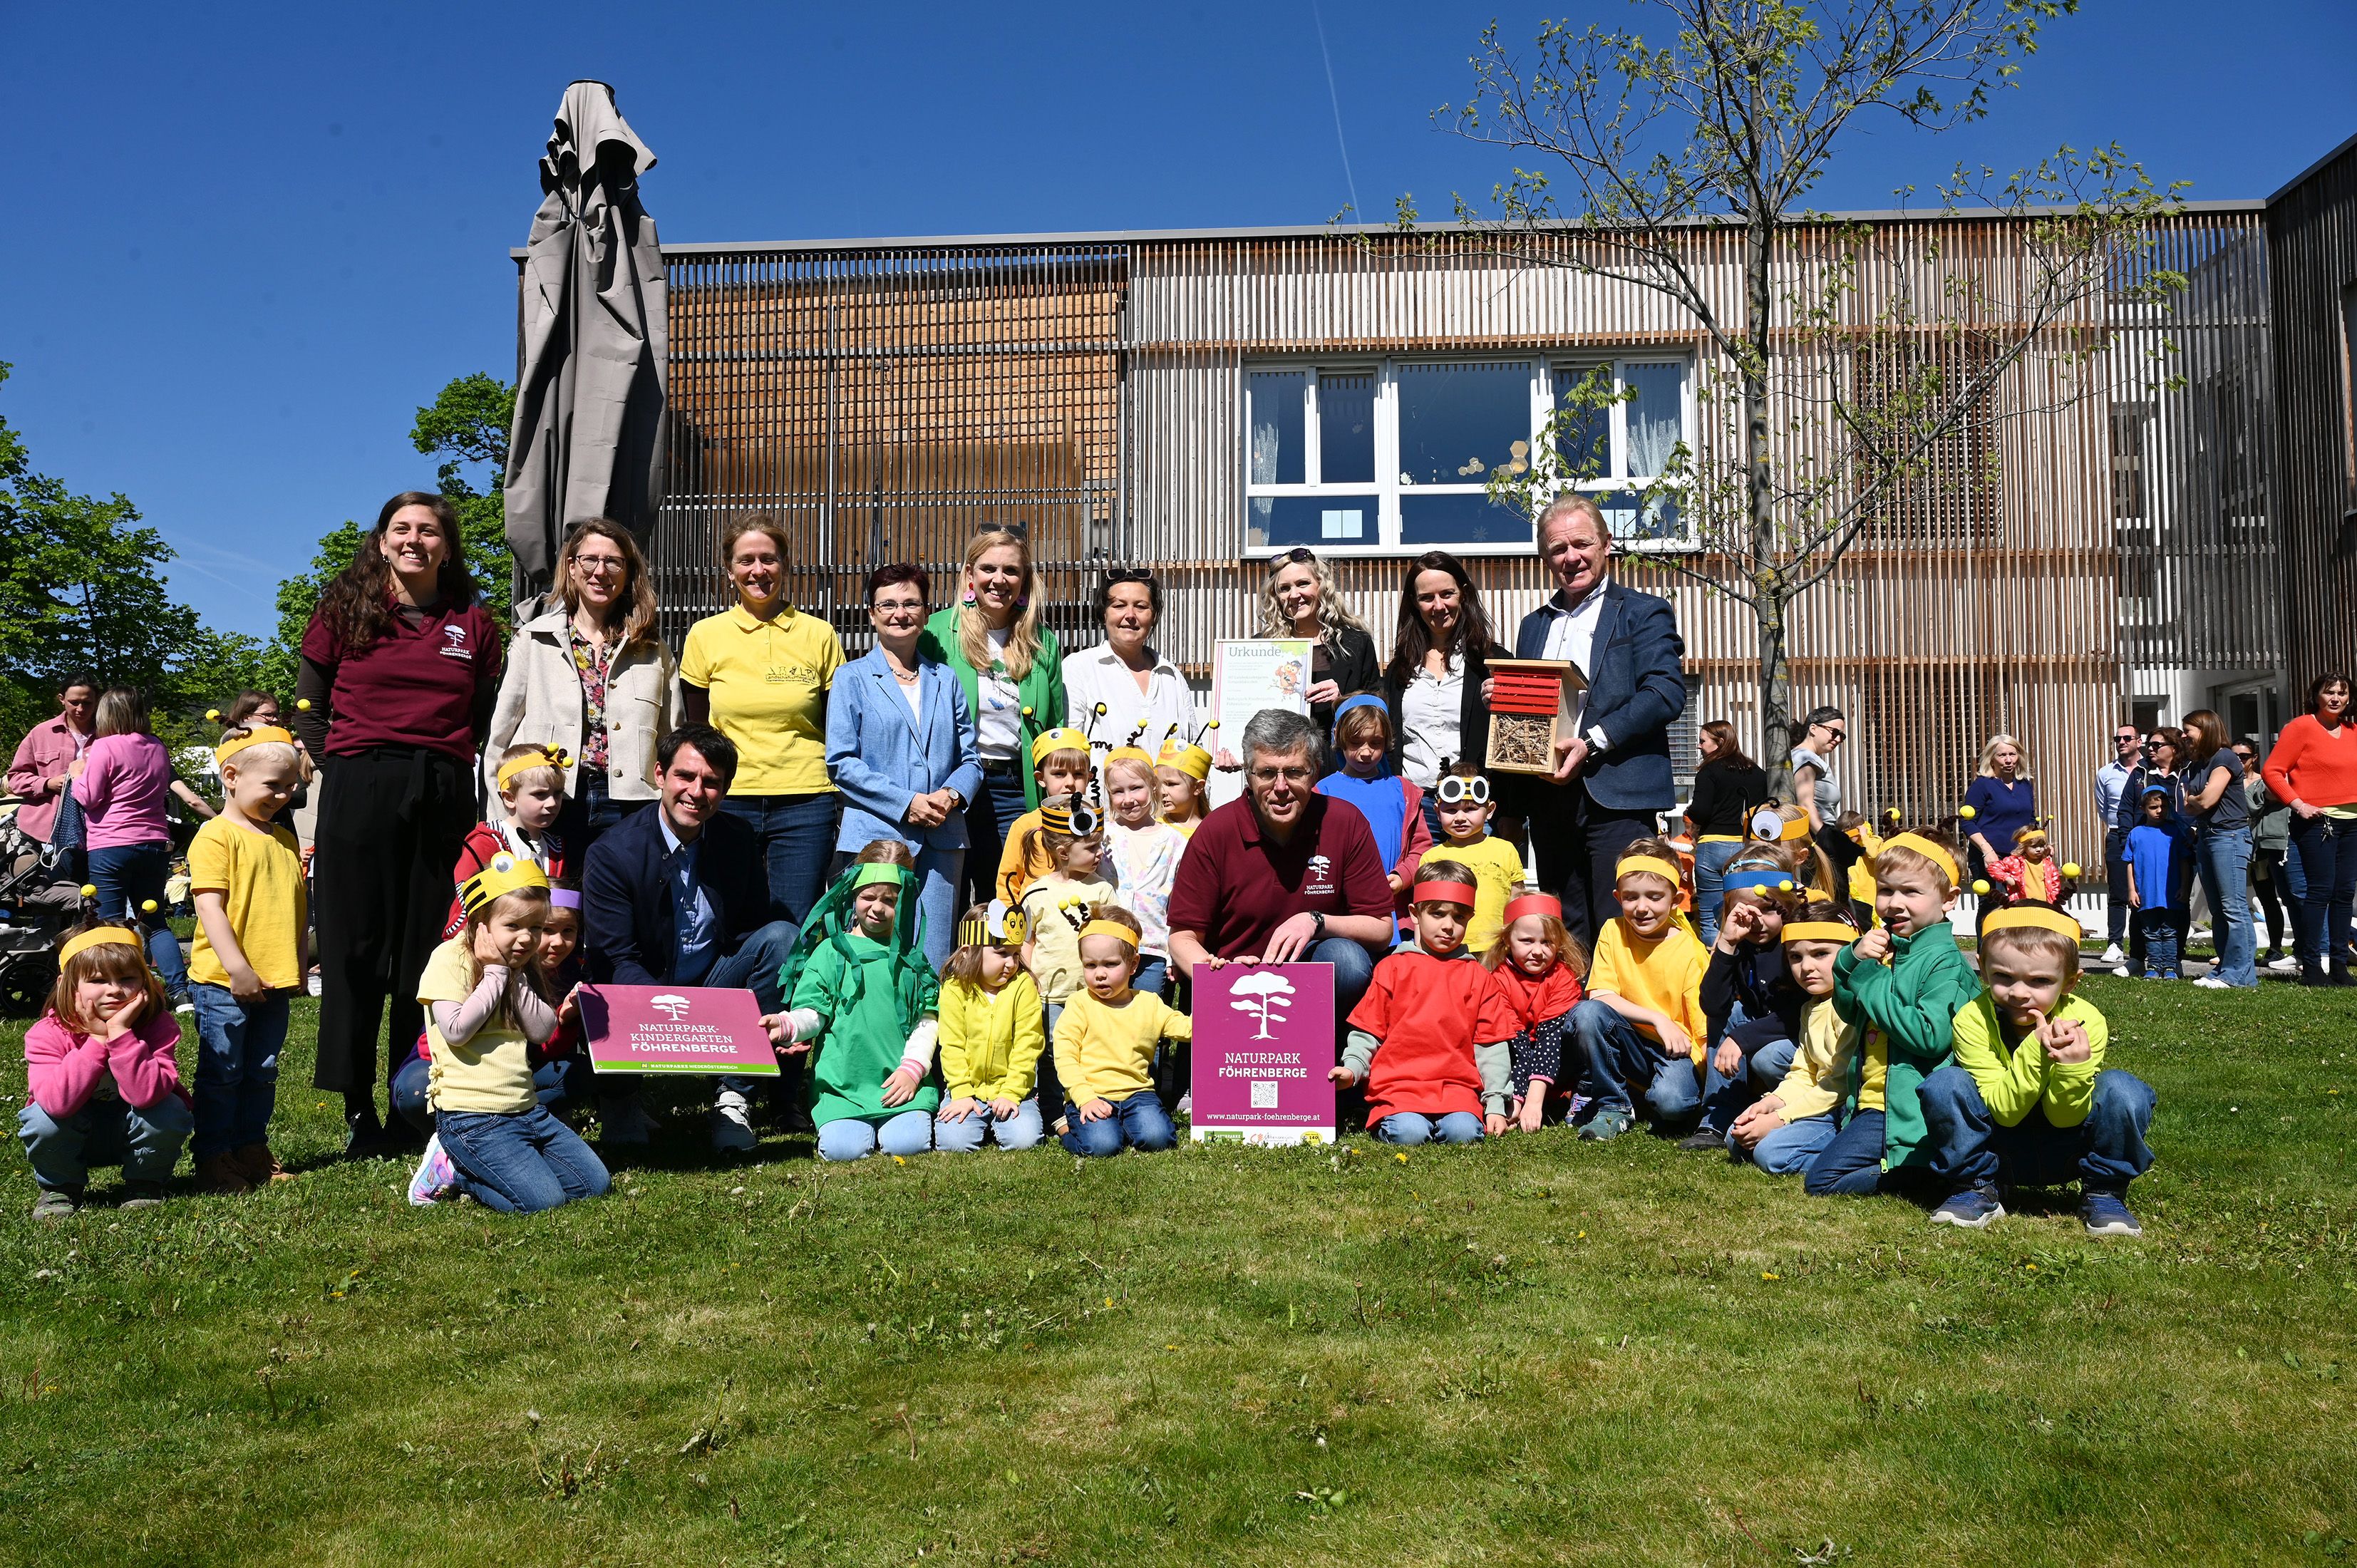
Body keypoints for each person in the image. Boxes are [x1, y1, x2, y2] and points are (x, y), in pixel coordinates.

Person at [296, 491, 502, 1159]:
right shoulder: (344, 609)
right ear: (383, 541)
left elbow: (481, 715)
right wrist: (344, 766)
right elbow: (310, 706)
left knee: (427, 950)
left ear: (447, 545)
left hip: (442, 787)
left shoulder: (472, 621)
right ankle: (358, 1106)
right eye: (402, 529)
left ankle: (413, 1095)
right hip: (360, 783)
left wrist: (443, 765)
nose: (415, 540)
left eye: (429, 530)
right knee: (354, 948)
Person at [580, 723, 804, 1152]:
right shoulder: (611, 853)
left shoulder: (738, 839)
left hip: (711, 976)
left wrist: (779, 1015)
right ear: (659, 774)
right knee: (628, 1147)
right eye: (685, 776)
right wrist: (677, 1015)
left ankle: (734, 1095)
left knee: (782, 938)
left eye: (711, 782)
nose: (697, 792)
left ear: (726, 789)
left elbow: (750, 930)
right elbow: (615, 958)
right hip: (638, 981)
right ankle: (620, 1096)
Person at [1916, 905, 2155, 1236]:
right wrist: (2037, 1049)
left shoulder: (2086, 1020)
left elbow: (2065, 1117)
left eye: (2040, 981)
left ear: (2070, 982)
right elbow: (2004, 1112)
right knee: (1945, 1084)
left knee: (2124, 1088)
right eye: (2003, 976)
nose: (2018, 993)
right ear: (1982, 970)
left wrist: (2073, 1068)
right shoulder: (1972, 1019)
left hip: (2069, 1149)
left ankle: (2104, 1191)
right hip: (1998, 1148)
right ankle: (1976, 1187)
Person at [1512, 496, 1688, 945]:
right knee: (1564, 933)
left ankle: (1620, 998)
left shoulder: (1643, 611)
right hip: (1550, 799)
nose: (1571, 557)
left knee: (1623, 928)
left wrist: (1591, 741)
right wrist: (1506, 695)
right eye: (1558, 549)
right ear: (1545, 558)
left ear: (1606, 545)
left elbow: (1665, 693)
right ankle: (1574, 996)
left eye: (1581, 544)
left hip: (1618, 799)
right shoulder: (1533, 626)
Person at [1166, 707, 1396, 1041]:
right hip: (1233, 984)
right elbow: (1182, 937)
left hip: (1314, 986)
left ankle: (1331, 1055)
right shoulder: (1216, 832)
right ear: (1248, 774)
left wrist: (1316, 921)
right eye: (1267, 773)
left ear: (1315, 772)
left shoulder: (1345, 822)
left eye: (1295, 772)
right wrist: (1218, 975)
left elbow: (1381, 927)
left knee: (1347, 960)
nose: (1281, 787)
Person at [406, 855, 610, 1214]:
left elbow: (542, 1030)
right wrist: (496, 975)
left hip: (527, 1110)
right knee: (544, 1203)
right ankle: (456, 1171)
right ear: (481, 923)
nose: (527, 937)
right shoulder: (450, 958)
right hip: (472, 1117)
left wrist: (513, 978)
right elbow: (456, 1030)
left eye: (536, 927)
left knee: (593, 1185)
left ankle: (505, 1166)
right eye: (513, 925)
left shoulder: (520, 965)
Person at [680, 514, 845, 928]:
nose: (758, 570)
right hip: (728, 799)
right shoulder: (705, 635)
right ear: (729, 570)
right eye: (746, 560)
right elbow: (697, 732)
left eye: (769, 559)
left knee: (795, 925)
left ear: (784, 566)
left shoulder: (820, 634)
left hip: (806, 801)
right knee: (726, 920)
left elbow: (838, 725)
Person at [483, 519, 676, 857]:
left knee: (620, 892)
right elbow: (499, 737)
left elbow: (671, 739)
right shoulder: (534, 640)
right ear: (572, 568)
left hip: (631, 807)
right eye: (590, 560)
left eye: (613, 562)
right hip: (547, 799)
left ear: (628, 572)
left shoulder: (653, 649)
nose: (600, 572)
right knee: (550, 892)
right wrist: (501, 825)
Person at [826, 563, 984, 972]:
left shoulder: (946, 679)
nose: (901, 613)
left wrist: (950, 795)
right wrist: (907, 802)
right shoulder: (852, 678)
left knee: (933, 954)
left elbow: (971, 758)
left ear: (926, 613)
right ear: (872, 614)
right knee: (872, 953)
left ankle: (927, 1018)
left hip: (942, 837)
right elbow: (841, 762)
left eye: (911, 603)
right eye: (889, 605)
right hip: (877, 835)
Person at [1814, 825, 1980, 1196]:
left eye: (1911, 891)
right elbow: (1850, 1011)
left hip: (1910, 1109)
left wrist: (1869, 976)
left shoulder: (1945, 963)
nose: (1894, 903)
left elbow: (1929, 1036)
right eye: (1886, 890)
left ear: (1949, 899)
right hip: (1872, 1100)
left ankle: (1928, 1176)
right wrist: (1849, 961)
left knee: (1823, 1180)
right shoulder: (1892, 948)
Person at [184, 723, 307, 1195]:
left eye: (291, 786)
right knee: (223, 1073)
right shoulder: (215, 836)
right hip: (224, 982)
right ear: (231, 777)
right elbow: (210, 908)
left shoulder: (285, 840)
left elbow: (296, 910)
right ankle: (214, 1156)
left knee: (261, 1072)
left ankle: (251, 1149)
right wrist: (238, 968)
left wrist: (297, 965)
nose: (283, 795)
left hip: (275, 980)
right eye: (273, 785)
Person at [919, 529, 1068, 906]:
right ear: (970, 574)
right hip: (952, 784)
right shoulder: (936, 632)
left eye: (1011, 571)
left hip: (1015, 788)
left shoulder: (1042, 641)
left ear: (1024, 579)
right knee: (947, 899)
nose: (999, 580)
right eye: (989, 569)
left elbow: (1055, 726)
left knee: (1009, 898)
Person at [766, 849, 943, 1162]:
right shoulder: (829, 953)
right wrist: (788, 1026)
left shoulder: (913, 961)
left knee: (909, 1144)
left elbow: (926, 1021)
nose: (877, 908)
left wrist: (913, 1071)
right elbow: (814, 1012)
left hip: (902, 1085)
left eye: (889, 900)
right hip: (843, 1088)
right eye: (868, 897)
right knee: (842, 1150)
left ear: (904, 900)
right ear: (852, 893)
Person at [1333, 860, 1520, 1145]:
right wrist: (1353, 1067)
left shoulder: (1479, 977)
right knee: (1409, 1133)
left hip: (1457, 1090)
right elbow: (1368, 1030)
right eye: (1438, 914)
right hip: (1399, 1088)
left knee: (1464, 1133)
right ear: (1415, 914)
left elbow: (1491, 1046)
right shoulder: (1391, 968)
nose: (1448, 926)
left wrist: (1495, 1104)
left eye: (1459, 917)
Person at [17, 923, 192, 1219]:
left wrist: (120, 1033)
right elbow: (56, 1104)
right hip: (72, 1136)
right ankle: (61, 1186)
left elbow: (148, 1095)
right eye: (98, 980)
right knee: (41, 1120)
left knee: (170, 1110)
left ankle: (145, 1182)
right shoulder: (47, 1034)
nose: (114, 990)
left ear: (145, 981)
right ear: (68, 985)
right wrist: (98, 1040)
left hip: (133, 1132)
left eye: (127, 978)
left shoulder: (158, 1026)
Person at [1564, 841, 1711, 1141]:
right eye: (1631, 897)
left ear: (1676, 900)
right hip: (1629, 1040)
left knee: (1672, 1104)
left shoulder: (1690, 950)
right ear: (1618, 897)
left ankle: (1642, 1095)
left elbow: (1704, 1032)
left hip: (1675, 1052)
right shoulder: (1612, 930)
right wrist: (1658, 1019)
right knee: (1587, 1013)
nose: (1642, 908)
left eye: (1655, 897)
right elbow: (1599, 995)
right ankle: (1612, 1105)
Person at [1726, 907, 1876, 1179]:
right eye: (1796, 957)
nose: (1806, 967)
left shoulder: (1853, 1006)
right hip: (1820, 1102)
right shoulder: (1810, 1007)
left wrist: (1780, 1119)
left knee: (1771, 1154)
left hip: (1847, 1109)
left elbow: (1841, 1084)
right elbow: (1805, 1072)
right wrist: (1772, 1103)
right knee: (1735, 1139)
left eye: (1821, 954)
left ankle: (1849, 1157)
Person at [70, 688, 188, 1005]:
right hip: (155, 841)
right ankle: (180, 992)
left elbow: (88, 797)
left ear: (106, 714)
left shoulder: (103, 747)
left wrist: (77, 774)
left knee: (109, 924)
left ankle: (122, 994)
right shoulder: (157, 747)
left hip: (111, 844)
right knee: (155, 922)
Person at [1382, 550, 1505, 844]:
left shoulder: (1492, 662)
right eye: (1427, 598)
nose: (1438, 606)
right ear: (1415, 603)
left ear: (1463, 594)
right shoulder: (1400, 669)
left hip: (1474, 809)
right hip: (1415, 808)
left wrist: (1510, 814)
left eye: (1447, 594)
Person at [1052, 906, 1187, 1157]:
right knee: (1103, 1146)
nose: (1100, 974)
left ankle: (1122, 1125)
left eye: (1111, 964)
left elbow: (1188, 1029)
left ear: (1133, 964)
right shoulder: (1079, 1004)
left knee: (1158, 1138)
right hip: (1092, 1094)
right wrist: (1084, 1097)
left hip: (1139, 1095)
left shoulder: (1149, 1003)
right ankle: (1065, 1130)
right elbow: (1065, 1057)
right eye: (1090, 965)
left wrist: (1220, 989)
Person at [1690, 865, 1808, 1149]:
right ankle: (1717, 1117)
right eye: (1746, 912)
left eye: (1768, 910)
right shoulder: (1739, 942)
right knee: (1730, 1013)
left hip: (1804, 1043)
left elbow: (1801, 1012)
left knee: (1767, 1057)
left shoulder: (1797, 945)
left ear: (1787, 908)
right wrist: (1727, 944)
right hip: (1765, 1031)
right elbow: (1713, 1005)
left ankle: (1796, 1113)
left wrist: (1741, 1038)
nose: (1757, 922)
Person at [1018, 795, 1115, 1133]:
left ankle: (1090, 1104)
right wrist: (1029, 981)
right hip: (1050, 995)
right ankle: (1053, 1112)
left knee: (1090, 1050)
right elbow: (1026, 941)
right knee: (1052, 1055)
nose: (1099, 854)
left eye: (1099, 846)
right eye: (1091, 848)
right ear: (1063, 853)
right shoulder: (1037, 893)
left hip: (1092, 994)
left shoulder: (1102, 890)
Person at [2262, 673, 2357, 987]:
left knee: (2344, 894)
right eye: (2329, 692)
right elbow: (2272, 771)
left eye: (2342, 693)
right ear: (2316, 696)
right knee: (2321, 892)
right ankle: (2312, 966)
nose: (2336, 698)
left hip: (2353, 824)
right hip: (2318, 823)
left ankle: (2340, 967)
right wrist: (2298, 804)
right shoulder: (2301, 727)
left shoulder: (2353, 731)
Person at [932, 902, 1047, 1153]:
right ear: (968, 952)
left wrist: (1012, 1092)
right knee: (954, 1143)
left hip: (1014, 1091)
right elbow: (951, 1045)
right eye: (1002, 953)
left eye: (1016, 954)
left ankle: (1007, 1118)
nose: (1011, 963)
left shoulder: (1023, 987)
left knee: (1025, 1140)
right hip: (967, 1091)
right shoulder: (954, 989)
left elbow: (1028, 1045)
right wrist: (961, 1092)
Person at [1063, 568, 1193, 774]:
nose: (1130, 615)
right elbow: (1067, 752)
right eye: (1119, 605)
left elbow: (1193, 751)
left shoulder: (1171, 676)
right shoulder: (1080, 667)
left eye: (1141, 607)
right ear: (1104, 613)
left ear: (1153, 616)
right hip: (1100, 795)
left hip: (1166, 796)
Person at [1316, 696, 1432, 924]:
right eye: (1356, 742)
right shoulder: (1322, 792)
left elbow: (1422, 848)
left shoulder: (1404, 791)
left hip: (1396, 912)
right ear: (1339, 738)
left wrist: (1403, 876)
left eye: (1375, 743)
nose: (1366, 752)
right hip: (1343, 915)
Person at [1482, 891, 1587, 1132]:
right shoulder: (1497, 979)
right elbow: (1516, 1044)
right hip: (1516, 1057)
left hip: (1557, 1058)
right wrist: (1517, 1100)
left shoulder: (1563, 977)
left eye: (1547, 942)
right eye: (1527, 941)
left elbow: (1550, 1039)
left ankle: (1579, 1092)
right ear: (1508, 939)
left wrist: (1534, 1101)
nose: (1538, 951)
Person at [444, 745, 569, 939]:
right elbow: (467, 903)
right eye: (540, 794)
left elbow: (561, 909)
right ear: (510, 798)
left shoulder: (555, 850)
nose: (552, 803)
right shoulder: (487, 843)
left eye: (557, 793)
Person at [1259, 547, 1381, 737]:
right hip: (1279, 753)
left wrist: (1343, 702)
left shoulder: (1356, 643)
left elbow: (1376, 712)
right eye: (1285, 588)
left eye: (1303, 584)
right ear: (1276, 596)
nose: (1294, 595)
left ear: (1321, 586)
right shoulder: (1262, 647)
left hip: (1336, 752)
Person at [1099, 747, 1186, 996]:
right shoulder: (1102, 835)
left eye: (1136, 788)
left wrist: (1175, 953)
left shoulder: (1174, 841)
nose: (1128, 799)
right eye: (1118, 791)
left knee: (1146, 1014)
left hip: (1152, 948)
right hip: (1106, 943)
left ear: (1153, 787)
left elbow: (1179, 902)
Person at [2182, 708, 2257, 989]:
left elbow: (2205, 801)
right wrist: (2196, 800)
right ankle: (2229, 969)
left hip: (2229, 837)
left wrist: (2196, 799)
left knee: (2233, 907)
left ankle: (2237, 974)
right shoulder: (2199, 764)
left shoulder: (2224, 757)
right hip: (2207, 836)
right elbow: (2188, 806)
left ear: (2205, 730)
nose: (2184, 737)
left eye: (2188, 731)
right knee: (2218, 909)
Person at [1686, 720, 1770, 947]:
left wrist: (1689, 811)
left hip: (1713, 846)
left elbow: (1701, 812)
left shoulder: (1709, 771)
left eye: (1703, 741)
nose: (1699, 746)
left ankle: (1715, 962)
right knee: (1750, 911)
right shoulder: (1757, 773)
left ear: (1720, 742)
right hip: (1748, 848)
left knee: (1711, 919)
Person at [7, 672, 98, 881]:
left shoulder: (109, 735)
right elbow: (15, 778)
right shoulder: (41, 733)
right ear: (61, 699)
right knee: (44, 895)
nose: (80, 709)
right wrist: (47, 784)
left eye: (87, 703)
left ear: (97, 701)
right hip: (42, 833)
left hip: (95, 832)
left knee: (90, 894)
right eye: (74, 702)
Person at [2112, 727, 2187, 978]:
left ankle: (2173, 961)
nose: (2150, 749)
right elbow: (2125, 809)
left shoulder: (2186, 772)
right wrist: (2128, 839)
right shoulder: (2140, 773)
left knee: (2176, 910)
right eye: (2150, 745)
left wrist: (2190, 835)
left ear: (2173, 748)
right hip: (2144, 851)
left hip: (2176, 849)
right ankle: (2140, 959)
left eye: (2157, 745)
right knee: (2141, 911)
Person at [1429, 760, 1524, 954]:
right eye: (1451, 810)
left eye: (1470, 809)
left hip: (1497, 951)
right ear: (1438, 813)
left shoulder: (1506, 850)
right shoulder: (1432, 858)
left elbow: (1518, 900)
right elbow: (1425, 912)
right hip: (1449, 952)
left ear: (1490, 810)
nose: (1460, 818)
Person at [995, 728, 1095, 904]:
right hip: (1034, 919)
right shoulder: (1025, 825)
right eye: (1059, 774)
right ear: (1041, 778)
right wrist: (1011, 916)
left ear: (1089, 778)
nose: (1070, 783)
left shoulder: (1094, 822)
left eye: (1078, 774)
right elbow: (1008, 881)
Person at [1962, 734, 2037, 919]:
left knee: (2020, 904)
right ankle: (1985, 940)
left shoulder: (2024, 785)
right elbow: (1967, 822)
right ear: (1991, 759)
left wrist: (2040, 844)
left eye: (2012, 754)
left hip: (2018, 857)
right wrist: (1987, 851)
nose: (2008, 760)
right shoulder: (1982, 785)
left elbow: (2030, 820)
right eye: (2002, 755)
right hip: (1988, 856)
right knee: (1989, 905)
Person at [2245, 741, 2296, 971]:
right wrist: (2266, 794)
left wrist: (2269, 793)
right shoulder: (2262, 779)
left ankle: (2303, 948)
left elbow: (2276, 793)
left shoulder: (2285, 775)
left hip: (2284, 844)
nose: (2240, 761)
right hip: (2259, 848)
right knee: (2267, 899)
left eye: (2244, 756)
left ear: (2254, 757)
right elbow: (2251, 804)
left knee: (2292, 896)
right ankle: (2275, 948)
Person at [2094, 722, 2142, 967]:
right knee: (2118, 892)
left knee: (2142, 891)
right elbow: (2104, 809)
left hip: (2146, 835)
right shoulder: (2106, 773)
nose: (2121, 742)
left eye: (2127, 738)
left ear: (2138, 742)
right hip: (2117, 836)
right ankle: (2115, 944)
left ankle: (2141, 945)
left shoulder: (2148, 770)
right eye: (2117, 739)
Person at [2125, 787, 2183, 982]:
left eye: (2163, 807)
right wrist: (2132, 890)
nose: (2159, 811)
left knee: (2169, 932)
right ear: (2143, 809)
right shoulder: (2136, 834)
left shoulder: (2174, 832)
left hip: (2170, 894)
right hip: (2147, 893)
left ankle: (2170, 967)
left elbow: (2184, 861)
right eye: (2153, 807)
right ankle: (2154, 966)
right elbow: (2129, 863)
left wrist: (2184, 886)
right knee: (2150, 933)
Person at [1788, 708, 1846, 835]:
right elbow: (1805, 805)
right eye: (1835, 732)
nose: (1838, 740)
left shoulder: (1804, 757)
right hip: (1817, 838)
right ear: (1813, 728)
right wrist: (1828, 840)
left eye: (1842, 736)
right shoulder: (1806, 758)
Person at [1985, 825, 2065, 907]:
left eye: (2041, 846)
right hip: (2021, 905)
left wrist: (2054, 904)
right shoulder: (2015, 862)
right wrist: (2006, 878)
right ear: (2024, 847)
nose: (2038, 849)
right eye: (2034, 846)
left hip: (2044, 906)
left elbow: (2055, 886)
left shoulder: (2049, 865)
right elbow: (1993, 868)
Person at [1155, 733, 1214, 837]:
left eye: (1171, 784)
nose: (1162, 792)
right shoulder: (1156, 829)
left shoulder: (1212, 831)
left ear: (1198, 787)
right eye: (1158, 784)